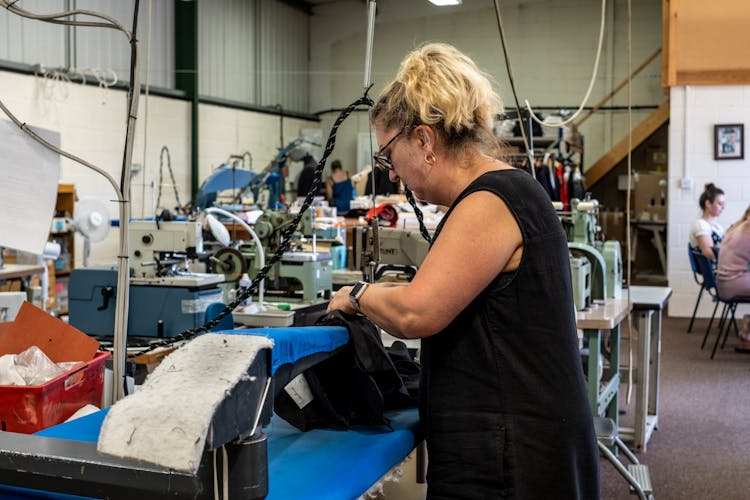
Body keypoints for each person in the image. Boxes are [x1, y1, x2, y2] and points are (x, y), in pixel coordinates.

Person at [326, 43, 599, 499]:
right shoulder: (509, 190)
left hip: (510, 458)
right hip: (520, 440)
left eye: (388, 155)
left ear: (424, 140)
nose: (391, 175)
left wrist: (358, 295)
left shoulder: (490, 201)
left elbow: (418, 312)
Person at [716, 216, 750, 346]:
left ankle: (747, 329)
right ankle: (747, 333)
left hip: (724, 283)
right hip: (733, 282)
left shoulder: (740, 226)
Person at [689, 183, 725, 261]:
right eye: (720, 204)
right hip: (716, 270)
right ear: (708, 204)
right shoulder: (700, 225)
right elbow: (710, 254)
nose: (723, 207)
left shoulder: (718, 226)